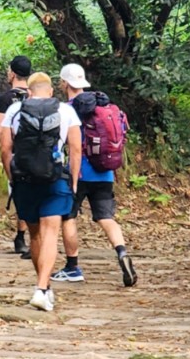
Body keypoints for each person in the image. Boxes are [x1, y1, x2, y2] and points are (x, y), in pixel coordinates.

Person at [53, 63, 138, 288]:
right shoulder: (105, 106)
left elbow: (73, 148)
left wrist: (72, 177)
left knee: (68, 217)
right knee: (106, 218)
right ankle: (121, 252)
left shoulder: (67, 110)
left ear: (64, 83)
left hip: (79, 174)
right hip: (105, 173)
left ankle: (72, 268)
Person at [0, 72, 76, 312]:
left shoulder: (14, 111)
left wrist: (12, 179)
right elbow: (76, 149)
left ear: (29, 92)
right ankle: (42, 288)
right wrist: (72, 182)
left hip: (24, 180)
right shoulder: (66, 111)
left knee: (34, 235)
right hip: (55, 179)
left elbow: (5, 149)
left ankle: (43, 286)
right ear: (51, 92)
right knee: (51, 233)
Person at [0, 55, 34, 259]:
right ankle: (26, 237)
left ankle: (22, 238)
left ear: (12, 73)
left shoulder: (5, 99)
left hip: (15, 155)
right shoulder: (36, 96)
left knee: (20, 196)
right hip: (37, 154)